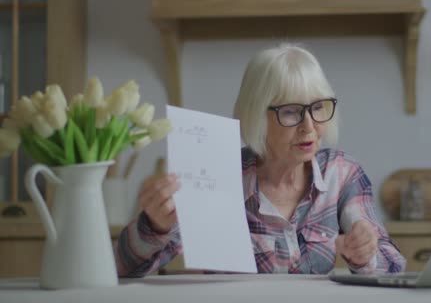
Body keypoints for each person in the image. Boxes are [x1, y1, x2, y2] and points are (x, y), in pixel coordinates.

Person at [115, 44, 406, 276]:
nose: (309, 126)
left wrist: (366, 255)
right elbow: (124, 267)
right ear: (256, 115)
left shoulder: (342, 174)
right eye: (291, 111)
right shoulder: (218, 175)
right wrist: (155, 226)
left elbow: (394, 267)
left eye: (318, 107)